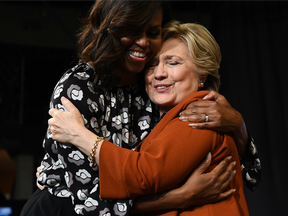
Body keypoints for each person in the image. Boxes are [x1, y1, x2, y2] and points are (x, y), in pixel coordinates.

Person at [21, 0, 260, 215]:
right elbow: (91, 200)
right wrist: (181, 197)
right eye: (132, 30)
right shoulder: (79, 88)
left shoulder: (154, 91)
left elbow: (244, 174)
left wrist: (238, 126)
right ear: (110, 29)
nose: (144, 42)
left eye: (153, 32)